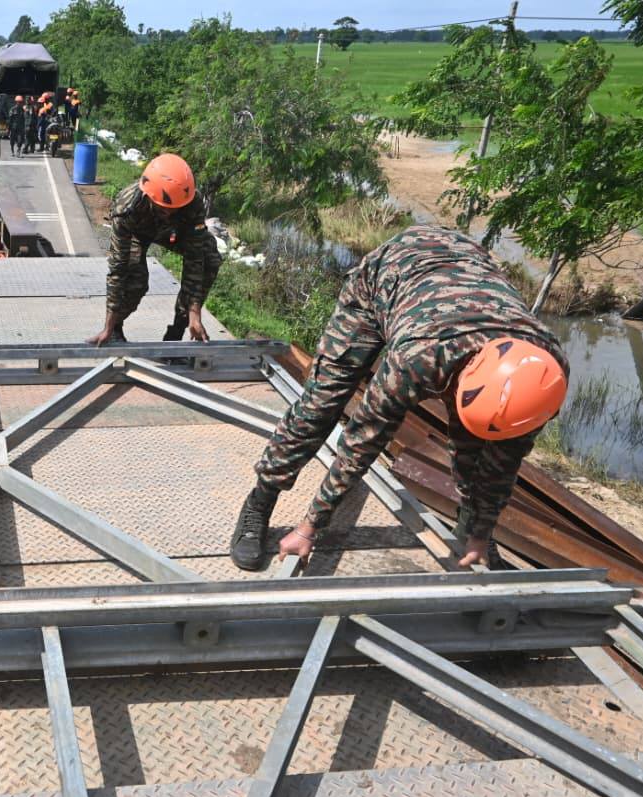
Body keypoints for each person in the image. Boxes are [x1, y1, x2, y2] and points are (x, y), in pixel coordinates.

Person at [228, 225, 569, 572]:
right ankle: (261, 500)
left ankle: (471, 534)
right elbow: (363, 442)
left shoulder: (542, 375)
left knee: (479, 447)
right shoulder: (419, 359)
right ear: (461, 381)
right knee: (321, 406)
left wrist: (482, 534)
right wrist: (309, 527)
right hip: (387, 277)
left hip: (461, 270)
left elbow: (504, 461)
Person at [87, 153, 221, 347]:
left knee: (209, 257)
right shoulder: (127, 208)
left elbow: (195, 258)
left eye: (174, 209)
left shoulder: (191, 201)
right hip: (137, 232)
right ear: (149, 195)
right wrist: (108, 325)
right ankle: (115, 328)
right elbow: (118, 268)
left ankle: (177, 332)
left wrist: (194, 313)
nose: (169, 212)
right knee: (135, 277)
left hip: (173, 233)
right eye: (163, 208)